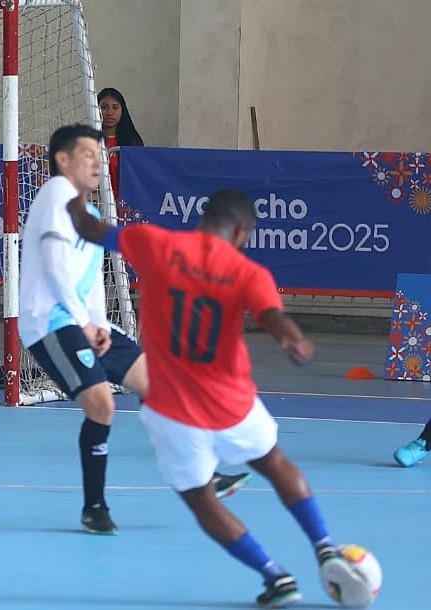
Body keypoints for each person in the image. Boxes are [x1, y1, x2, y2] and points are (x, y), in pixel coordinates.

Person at [66, 178, 366, 607]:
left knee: (200, 497)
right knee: (275, 463)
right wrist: (292, 339)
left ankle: (274, 577)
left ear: (204, 219)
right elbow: (272, 316)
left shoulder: (153, 242)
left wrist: (75, 198)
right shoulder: (248, 271)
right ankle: (325, 548)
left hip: (173, 413)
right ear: (242, 232)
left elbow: (91, 231)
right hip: (233, 405)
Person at [18, 124, 248, 536]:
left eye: (99, 154)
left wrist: (99, 323)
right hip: (49, 323)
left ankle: (202, 474)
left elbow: (87, 280)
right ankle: (95, 506)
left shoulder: (86, 214)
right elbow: (54, 268)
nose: (96, 162)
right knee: (102, 404)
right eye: (87, 154)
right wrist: (84, 322)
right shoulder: (56, 194)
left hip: (84, 321)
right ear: (62, 161)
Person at [97, 87, 143, 201]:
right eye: (104, 107)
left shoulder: (132, 142)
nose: (109, 112)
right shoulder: (87, 141)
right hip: (95, 204)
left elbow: (138, 178)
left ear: (122, 111)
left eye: (115, 107)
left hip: (125, 205)